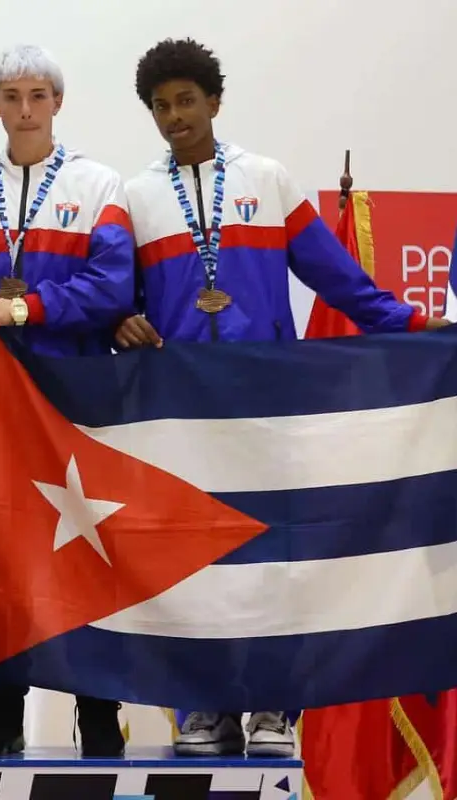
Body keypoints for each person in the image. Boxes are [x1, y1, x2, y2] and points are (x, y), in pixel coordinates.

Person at [117, 37, 449, 758]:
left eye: (187, 100)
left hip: (269, 403)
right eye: (161, 105)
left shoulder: (268, 180)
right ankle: (202, 708)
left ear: (215, 101)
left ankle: (272, 709)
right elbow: (115, 297)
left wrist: (419, 325)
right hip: (183, 410)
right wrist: (119, 319)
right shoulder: (136, 198)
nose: (175, 116)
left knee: (273, 558)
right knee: (192, 560)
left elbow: (341, 283)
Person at [0, 44, 136, 757]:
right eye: (12, 96)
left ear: (58, 103)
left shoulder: (99, 182)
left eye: (38, 95)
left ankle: (99, 710)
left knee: (88, 555)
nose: (25, 109)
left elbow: (114, 288)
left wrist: (28, 310)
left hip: (74, 399)